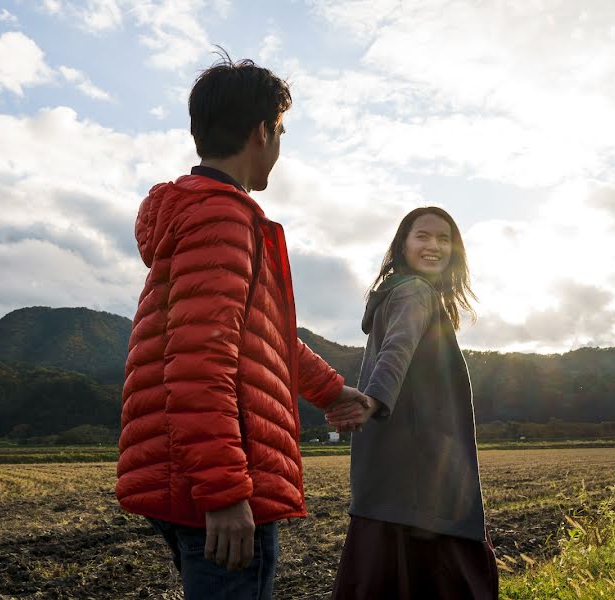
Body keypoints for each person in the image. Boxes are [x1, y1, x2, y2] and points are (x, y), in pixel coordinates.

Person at [116, 53, 370, 600]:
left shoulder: (195, 214)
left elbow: (263, 337)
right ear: (262, 132)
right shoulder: (224, 217)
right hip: (220, 480)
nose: (279, 149)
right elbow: (198, 362)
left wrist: (331, 389)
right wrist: (225, 491)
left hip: (186, 472)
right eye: (280, 132)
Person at [326, 206, 499, 599]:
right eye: (422, 236)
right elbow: (396, 350)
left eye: (444, 238)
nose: (434, 245)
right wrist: (374, 398)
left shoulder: (397, 293)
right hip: (424, 475)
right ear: (402, 245)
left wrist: (372, 402)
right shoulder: (415, 292)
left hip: (389, 472)